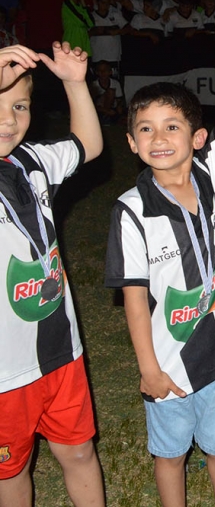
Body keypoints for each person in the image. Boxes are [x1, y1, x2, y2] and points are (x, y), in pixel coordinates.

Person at [103, 0, 215, 507]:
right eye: (145, 129)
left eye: (172, 126)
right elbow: (133, 297)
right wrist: (148, 368)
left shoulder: (212, 174)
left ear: (198, 137)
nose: (159, 137)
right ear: (132, 143)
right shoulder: (131, 209)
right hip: (169, 358)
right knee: (171, 454)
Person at [0, 42, 105, 507]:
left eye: (19, 106)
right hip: (5, 371)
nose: (8, 120)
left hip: (61, 350)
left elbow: (89, 145)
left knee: (79, 451)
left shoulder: (32, 161)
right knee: (11, 471)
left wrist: (75, 84)